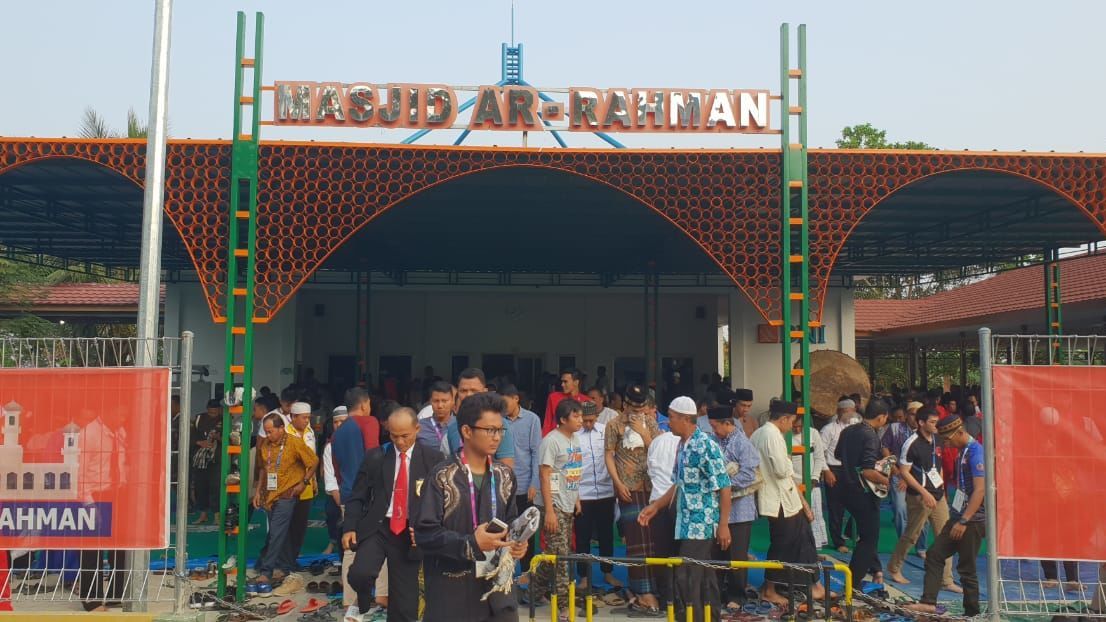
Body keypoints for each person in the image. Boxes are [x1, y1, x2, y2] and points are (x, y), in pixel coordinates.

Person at [414, 392, 527, 622]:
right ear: (466, 431)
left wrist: (518, 543)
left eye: (500, 430)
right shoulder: (441, 477)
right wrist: (471, 543)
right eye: (490, 430)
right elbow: (425, 534)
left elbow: (513, 521)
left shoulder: (505, 476)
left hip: (499, 592)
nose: (497, 437)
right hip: (453, 592)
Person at [344, 408, 445, 622]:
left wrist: (428, 528)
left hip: (410, 534)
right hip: (379, 527)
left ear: (417, 429)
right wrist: (350, 527)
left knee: (404, 602)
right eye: (393, 435)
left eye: (405, 436)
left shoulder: (433, 459)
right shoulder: (376, 457)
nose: (399, 441)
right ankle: (363, 597)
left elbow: (441, 501)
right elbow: (357, 496)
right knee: (360, 573)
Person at [640, 398, 731, 622]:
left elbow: (724, 485)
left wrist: (723, 525)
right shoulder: (682, 445)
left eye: (671, 417)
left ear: (685, 419)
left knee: (686, 576)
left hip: (701, 522)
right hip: (685, 521)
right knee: (704, 577)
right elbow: (678, 484)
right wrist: (656, 506)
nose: (667, 422)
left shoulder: (706, 445)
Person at [750, 400, 830, 606]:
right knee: (783, 544)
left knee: (803, 539)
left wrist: (802, 501)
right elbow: (782, 470)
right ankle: (769, 588)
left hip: (787, 497)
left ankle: (813, 585)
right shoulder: (770, 435)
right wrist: (788, 462)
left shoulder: (760, 433)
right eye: (791, 421)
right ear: (784, 419)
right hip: (779, 499)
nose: (791, 426)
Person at [907, 414, 987, 617]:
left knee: (966, 568)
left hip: (972, 519)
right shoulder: (962, 452)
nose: (946, 444)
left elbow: (980, 490)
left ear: (960, 432)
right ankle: (928, 602)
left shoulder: (977, 453)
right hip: (959, 515)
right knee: (935, 554)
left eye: (948, 439)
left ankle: (972, 614)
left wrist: (964, 520)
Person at [604, 384, 663, 615]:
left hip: (652, 488)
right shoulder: (614, 424)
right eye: (634, 407)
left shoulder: (651, 424)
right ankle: (641, 591)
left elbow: (658, 450)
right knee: (636, 541)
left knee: (653, 539)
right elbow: (609, 455)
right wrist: (617, 483)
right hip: (628, 488)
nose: (638, 411)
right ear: (625, 405)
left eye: (642, 407)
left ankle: (656, 588)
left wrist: (644, 432)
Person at [886, 408, 957, 591]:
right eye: (932, 422)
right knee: (912, 534)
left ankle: (946, 579)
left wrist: (941, 487)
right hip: (919, 496)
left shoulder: (938, 440)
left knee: (946, 535)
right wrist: (923, 493)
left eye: (936, 422)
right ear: (921, 423)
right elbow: (904, 472)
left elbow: (938, 466)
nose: (935, 425)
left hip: (938, 494)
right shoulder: (911, 443)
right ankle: (894, 567)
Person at [252, 412, 319, 589]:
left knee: (277, 531)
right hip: (269, 495)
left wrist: (304, 483)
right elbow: (262, 469)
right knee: (279, 532)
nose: (268, 435)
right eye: (266, 432)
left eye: (271, 431)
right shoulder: (265, 445)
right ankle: (285, 566)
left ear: (281, 428)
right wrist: (258, 492)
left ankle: (266, 571)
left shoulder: (294, 443)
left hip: (287, 495)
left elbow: (313, 462)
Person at [531, 399, 584, 610]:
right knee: (562, 557)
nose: (580, 420)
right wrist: (550, 511)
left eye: (581, 416)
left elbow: (572, 471)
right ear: (563, 419)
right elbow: (545, 476)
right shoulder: (551, 441)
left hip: (568, 503)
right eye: (576, 416)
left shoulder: (575, 440)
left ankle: (533, 590)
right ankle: (563, 605)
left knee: (555, 554)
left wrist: (577, 498)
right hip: (553, 505)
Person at [707, 404, 761, 611]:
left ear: (727, 424)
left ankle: (737, 595)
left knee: (737, 554)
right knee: (717, 552)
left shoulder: (742, 443)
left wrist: (725, 483)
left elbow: (749, 473)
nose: (713, 431)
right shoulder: (713, 441)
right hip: (718, 506)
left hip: (740, 509)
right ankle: (717, 591)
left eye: (715, 426)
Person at [836, 399, 890, 585]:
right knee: (869, 538)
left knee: (864, 532)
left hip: (844, 488)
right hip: (863, 491)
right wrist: (885, 479)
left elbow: (837, 455)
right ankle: (854, 580)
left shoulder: (848, 430)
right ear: (881, 417)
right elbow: (867, 470)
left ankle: (875, 571)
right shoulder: (870, 435)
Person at [574, 400, 620, 590]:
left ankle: (607, 573)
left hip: (605, 491)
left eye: (591, 420)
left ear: (597, 418)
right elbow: (571, 467)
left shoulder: (606, 431)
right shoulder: (574, 435)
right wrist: (574, 496)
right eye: (585, 421)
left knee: (606, 534)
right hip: (583, 493)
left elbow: (614, 458)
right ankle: (584, 577)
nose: (588, 424)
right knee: (582, 537)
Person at [501, 383, 542, 581]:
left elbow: (536, 453)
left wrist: (535, 482)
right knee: (504, 528)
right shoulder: (498, 420)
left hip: (526, 484)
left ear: (515, 398)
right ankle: (505, 570)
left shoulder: (532, 419)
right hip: (504, 485)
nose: (502, 405)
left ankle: (527, 572)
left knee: (527, 532)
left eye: (505, 401)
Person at [277, 401, 318, 595]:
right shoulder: (285, 434)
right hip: (289, 486)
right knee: (286, 526)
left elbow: (313, 460)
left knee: (300, 526)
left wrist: (313, 481)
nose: (307, 420)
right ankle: (285, 564)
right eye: (304, 418)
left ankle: (292, 561)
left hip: (306, 486)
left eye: (308, 417)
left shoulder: (310, 432)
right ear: (293, 418)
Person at [646, 416, 681, 613]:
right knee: (679, 552)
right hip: (678, 502)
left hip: (658, 501)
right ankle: (680, 599)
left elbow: (650, 470)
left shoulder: (656, 442)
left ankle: (666, 599)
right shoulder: (687, 442)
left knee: (662, 553)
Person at [446, 369, 515, 469]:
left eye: (474, 391)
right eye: (463, 391)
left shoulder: (499, 425)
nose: (468, 395)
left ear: (485, 391)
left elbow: (506, 466)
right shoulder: (453, 427)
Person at [882, 403, 923, 558]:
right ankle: (904, 544)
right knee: (899, 510)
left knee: (921, 512)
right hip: (898, 473)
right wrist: (892, 468)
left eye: (918, 414)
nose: (915, 417)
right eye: (912, 414)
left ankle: (921, 547)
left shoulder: (924, 431)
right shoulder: (894, 428)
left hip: (918, 478)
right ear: (906, 415)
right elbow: (884, 447)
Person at [820, 397, 859, 553]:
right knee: (836, 508)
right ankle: (838, 541)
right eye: (845, 411)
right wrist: (826, 471)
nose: (848, 414)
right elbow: (819, 452)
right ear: (839, 412)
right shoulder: (829, 429)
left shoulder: (857, 426)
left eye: (850, 410)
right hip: (834, 470)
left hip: (852, 470)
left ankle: (852, 533)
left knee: (858, 504)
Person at [790, 410, 830, 550]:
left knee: (815, 514)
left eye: (800, 426)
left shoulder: (813, 433)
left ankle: (816, 547)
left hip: (811, 481)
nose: (797, 429)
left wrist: (814, 478)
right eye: (794, 426)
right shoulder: (785, 435)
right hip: (793, 482)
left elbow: (819, 458)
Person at [190, 398, 223, 525]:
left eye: (215, 412)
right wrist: (200, 443)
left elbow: (230, 439)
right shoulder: (198, 419)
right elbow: (190, 437)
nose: (213, 415)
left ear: (219, 410)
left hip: (216, 459)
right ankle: (203, 514)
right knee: (200, 487)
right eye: (210, 412)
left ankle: (217, 515)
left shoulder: (225, 419)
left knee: (216, 487)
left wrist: (218, 437)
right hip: (200, 459)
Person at [322, 406, 348, 556]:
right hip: (336, 492)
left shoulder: (358, 441)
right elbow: (329, 475)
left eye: (342, 421)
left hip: (352, 491)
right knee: (332, 514)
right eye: (336, 422)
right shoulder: (329, 447)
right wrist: (338, 496)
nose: (339, 425)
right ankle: (333, 543)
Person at [543, 368, 590, 434]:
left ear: (576, 382)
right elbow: (547, 422)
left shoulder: (586, 401)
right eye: (562, 382)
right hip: (556, 438)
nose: (562, 384)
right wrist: (545, 441)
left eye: (565, 382)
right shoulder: (553, 397)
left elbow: (588, 424)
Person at [417, 381, 456, 455]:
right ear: (430, 401)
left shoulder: (459, 425)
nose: (440, 405)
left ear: (452, 402)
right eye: (436, 401)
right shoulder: (420, 426)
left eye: (444, 401)